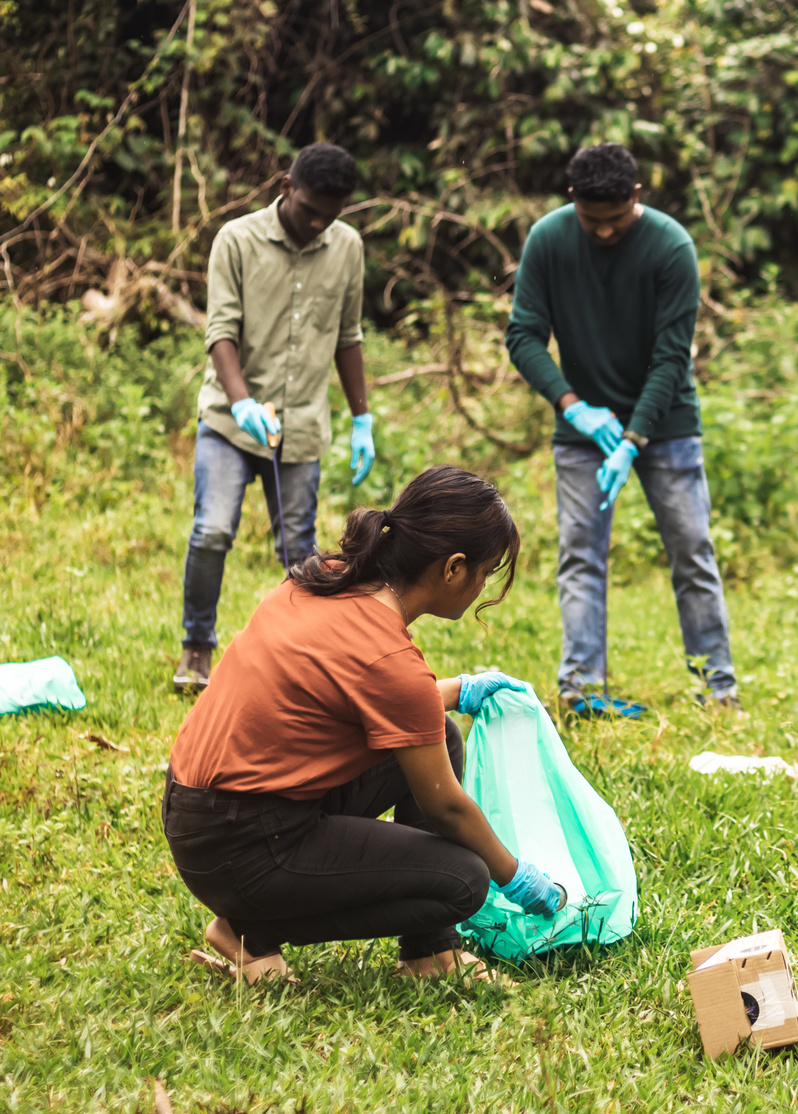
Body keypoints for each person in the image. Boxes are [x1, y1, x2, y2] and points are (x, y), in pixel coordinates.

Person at [163, 466, 564, 983]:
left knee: (439, 732)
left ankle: (426, 954)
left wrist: (457, 690)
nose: (483, 586)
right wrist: (516, 877)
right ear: (453, 568)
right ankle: (251, 929)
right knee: (464, 880)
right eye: (485, 574)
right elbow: (445, 808)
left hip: (202, 810)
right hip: (242, 846)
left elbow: (374, 701)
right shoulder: (390, 658)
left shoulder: (328, 577)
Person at [505, 142, 739, 716]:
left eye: (615, 219)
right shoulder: (550, 240)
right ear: (573, 202)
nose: (604, 232)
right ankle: (580, 688)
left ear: (636, 197)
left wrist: (633, 439)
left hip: (667, 425)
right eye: (592, 220)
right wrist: (573, 406)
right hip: (583, 428)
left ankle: (718, 688)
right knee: (580, 554)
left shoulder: (671, 246)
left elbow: (670, 358)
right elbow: (523, 336)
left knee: (692, 550)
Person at [173, 142, 379, 693]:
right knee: (213, 530)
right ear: (286, 186)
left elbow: (348, 337)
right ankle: (197, 648)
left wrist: (363, 419)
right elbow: (221, 331)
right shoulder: (236, 239)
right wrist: (241, 402)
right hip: (229, 420)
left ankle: (299, 659)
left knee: (299, 550)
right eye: (309, 209)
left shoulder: (347, 247)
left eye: (329, 216)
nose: (317, 223)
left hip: (303, 426)